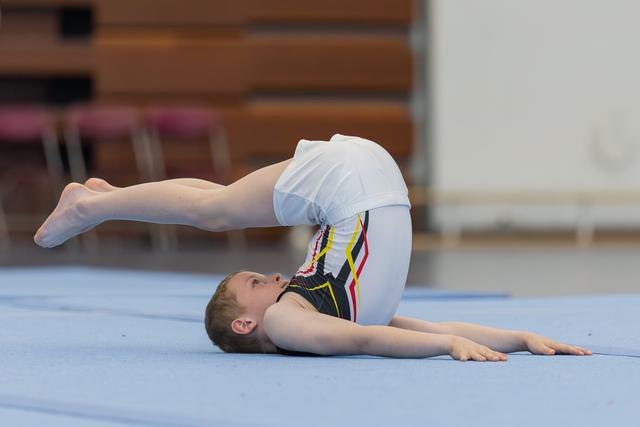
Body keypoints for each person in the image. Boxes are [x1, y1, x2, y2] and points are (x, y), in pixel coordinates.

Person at [34, 134, 592, 361]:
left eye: (258, 278)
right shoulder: (298, 319)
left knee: (218, 209)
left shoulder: (290, 318)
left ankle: (95, 204)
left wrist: (448, 346)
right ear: (247, 325)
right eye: (255, 285)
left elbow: (367, 339)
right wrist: (517, 338)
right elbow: (389, 333)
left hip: (357, 189)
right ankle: (103, 199)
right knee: (218, 206)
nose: (272, 279)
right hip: (362, 183)